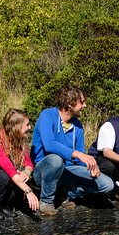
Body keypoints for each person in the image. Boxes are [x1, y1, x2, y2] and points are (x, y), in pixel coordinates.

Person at [30, 86, 114, 216]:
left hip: (68, 170)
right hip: (43, 170)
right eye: (82, 102)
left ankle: (65, 194)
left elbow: (80, 156)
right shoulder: (47, 115)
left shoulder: (77, 125)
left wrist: (91, 167)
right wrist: (78, 154)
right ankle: (46, 202)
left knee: (107, 184)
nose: (85, 105)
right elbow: (49, 145)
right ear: (70, 104)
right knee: (56, 159)